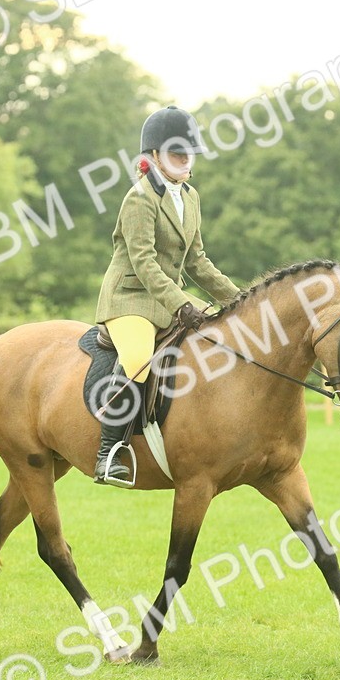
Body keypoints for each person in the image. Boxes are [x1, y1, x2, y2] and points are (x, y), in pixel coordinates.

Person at [92, 105, 241, 487]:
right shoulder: (139, 199)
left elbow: (198, 261)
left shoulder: (190, 196)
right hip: (130, 297)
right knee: (138, 361)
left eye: (189, 152)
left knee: (221, 337)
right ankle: (110, 453)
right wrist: (182, 303)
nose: (185, 159)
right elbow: (143, 262)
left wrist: (241, 300)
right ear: (154, 155)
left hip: (168, 299)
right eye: (176, 152)